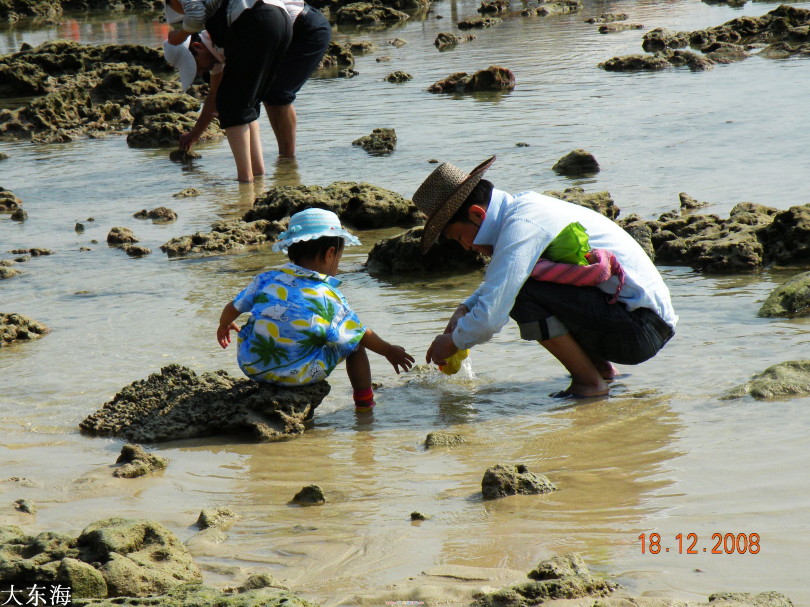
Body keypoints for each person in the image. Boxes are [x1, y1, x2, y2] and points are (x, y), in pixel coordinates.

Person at [414, 156, 677, 398]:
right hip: (642, 322)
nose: (466, 247)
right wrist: (465, 308)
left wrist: (453, 342)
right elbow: (502, 279)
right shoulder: (524, 210)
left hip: (639, 331)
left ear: (476, 214)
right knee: (523, 285)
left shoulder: (522, 225)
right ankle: (601, 372)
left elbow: (491, 316)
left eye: (459, 237)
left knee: (522, 293)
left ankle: (589, 383)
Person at [216, 208, 415, 412]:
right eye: (339, 256)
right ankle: (364, 403)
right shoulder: (327, 296)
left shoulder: (266, 279)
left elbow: (233, 307)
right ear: (330, 253)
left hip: (253, 366)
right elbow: (361, 334)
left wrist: (224, 324)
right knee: (353, 342)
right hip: (298, 375)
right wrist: (389, 350)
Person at [163, 0, 330, 164]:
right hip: (278, 30)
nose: (199, 72)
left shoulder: (221, 35)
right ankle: (284, 157)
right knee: (268, 95)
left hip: (306, 29)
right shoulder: (216, 48)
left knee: (278, 93)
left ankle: (287, 159)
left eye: (196, 66)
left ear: (198, 47)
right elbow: (214, 94)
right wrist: (195, 134)